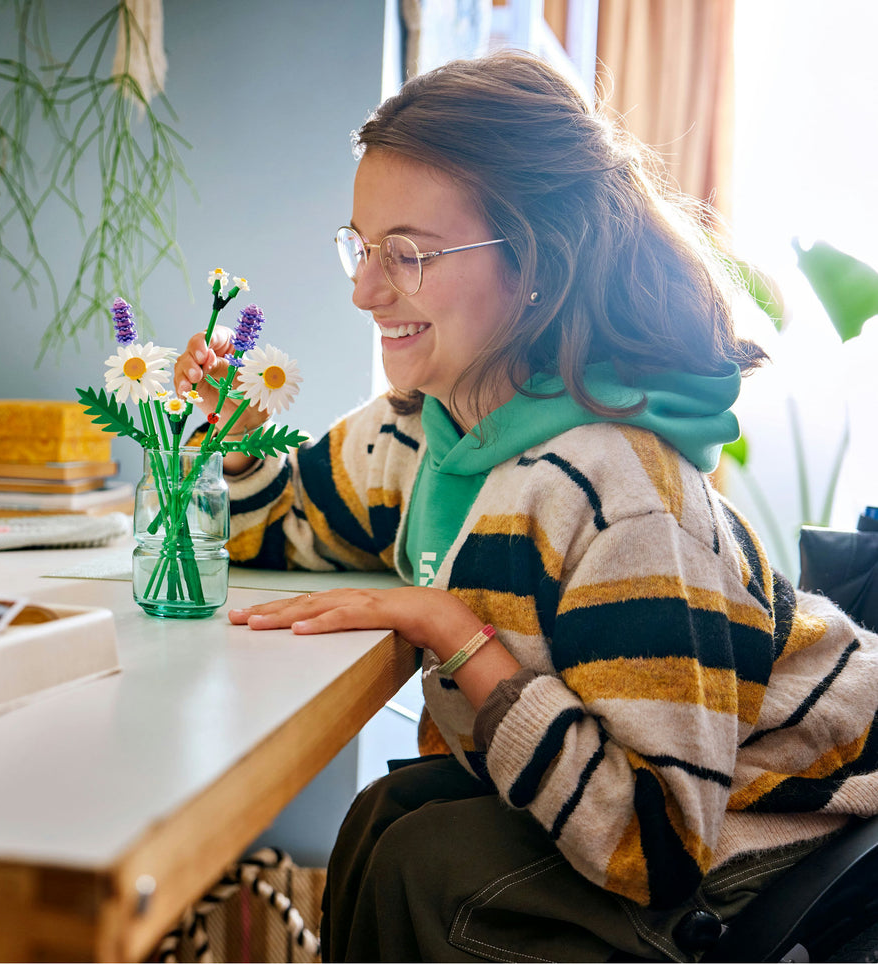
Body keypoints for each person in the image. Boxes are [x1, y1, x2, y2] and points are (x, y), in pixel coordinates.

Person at [174, 52, 878, 962]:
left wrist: (453, 632)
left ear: (535, 261)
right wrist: (234, 439)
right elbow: (283, 524)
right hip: (658, 813)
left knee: (427, 865)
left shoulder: (623, 494)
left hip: (775, 839)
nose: (364, 291)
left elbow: (657, 843)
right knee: (387, 816)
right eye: (360, 245)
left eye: (408, 254)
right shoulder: (420, 429)